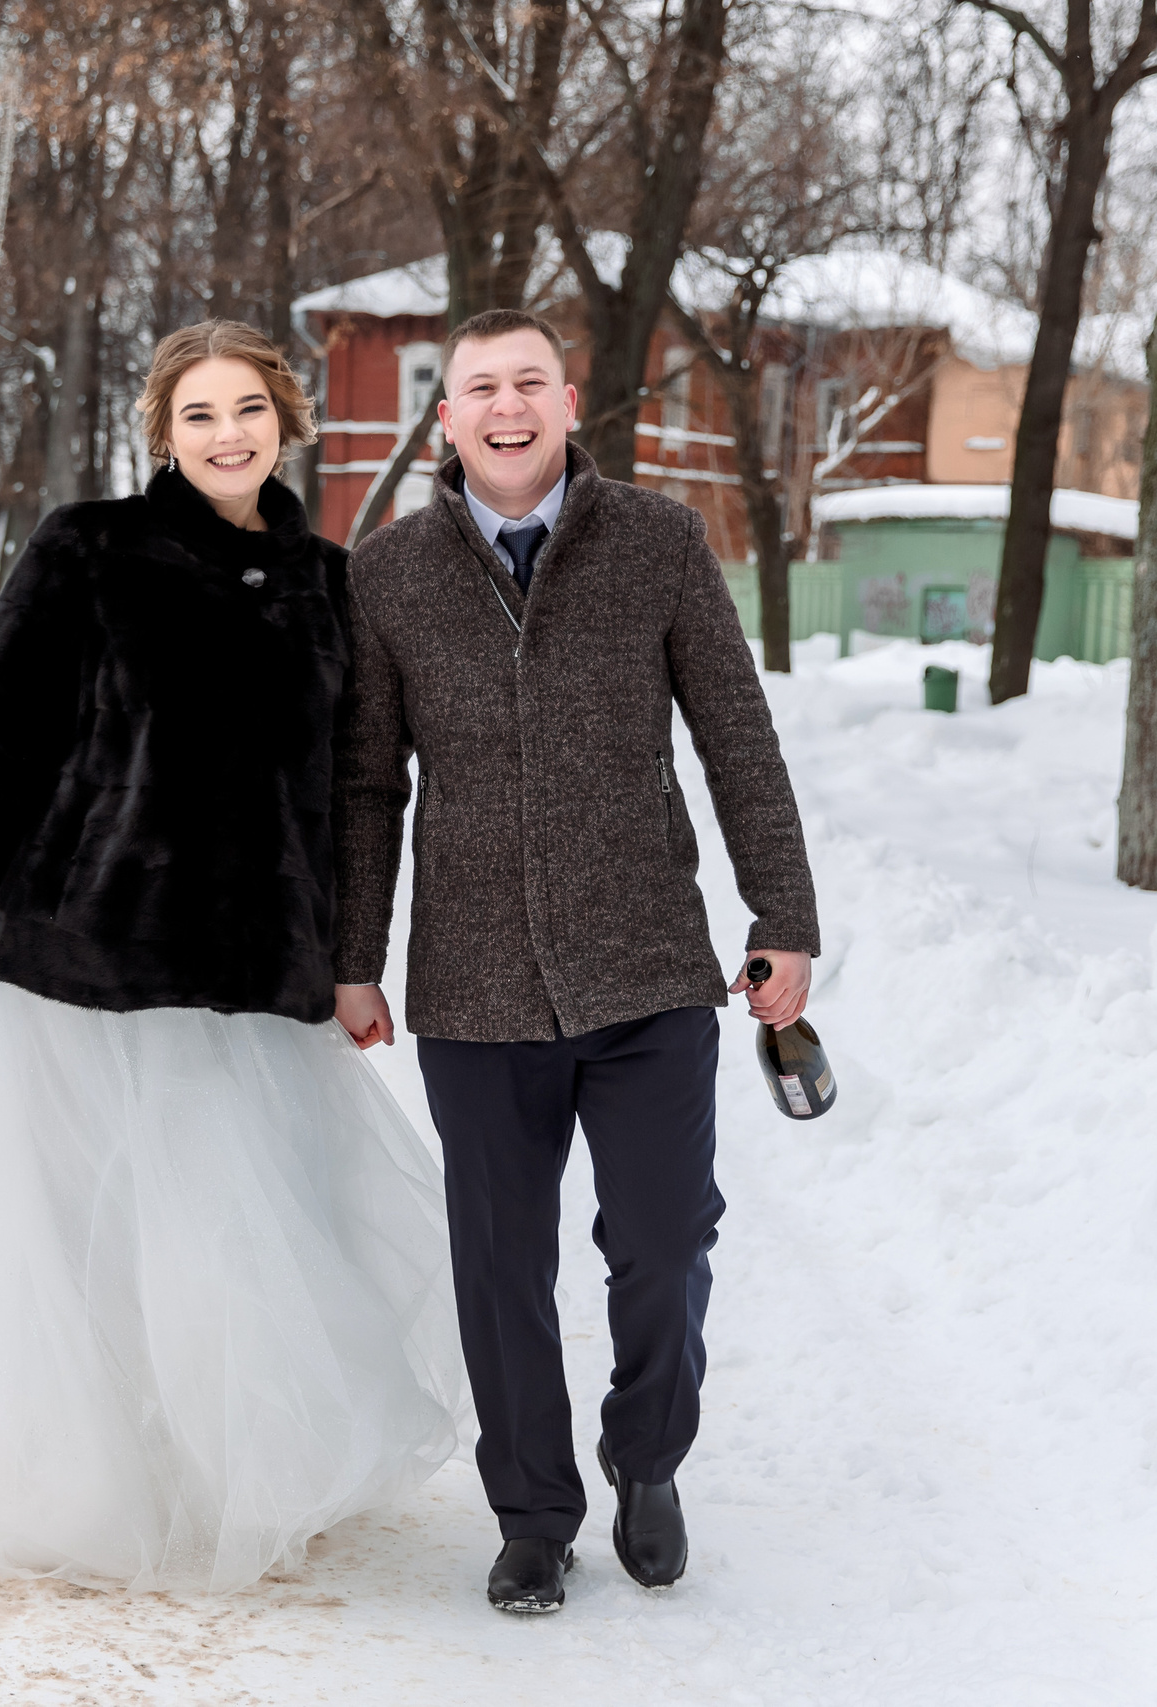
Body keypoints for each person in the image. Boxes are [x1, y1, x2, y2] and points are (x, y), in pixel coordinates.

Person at [0, 320, 463, 1593]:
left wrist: (354, 957)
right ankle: (89, 1485)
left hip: (254, 977)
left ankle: (226, 1478)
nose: (226, 433)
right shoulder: (88, 548)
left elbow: (358, 789)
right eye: (198, 413)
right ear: (161, 430)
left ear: (286, 418)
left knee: (241, 1245)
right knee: (93, 1240)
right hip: (92, 958)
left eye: (247, 407)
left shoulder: (330, 581)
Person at [331, 309, 822, 1612]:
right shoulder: (387, 575)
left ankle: (647, 1455)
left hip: (649, 968)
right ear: (446, 418)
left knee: (663, 1240)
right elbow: (369, 782)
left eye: (527, 382)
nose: (505, 405)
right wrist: (354, 953)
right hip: (474, 985)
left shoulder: (656, 541)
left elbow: (738, 735)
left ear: (566, 400)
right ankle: (535, 1514)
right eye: (477, 386)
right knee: (501, 1263)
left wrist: (783, 915)